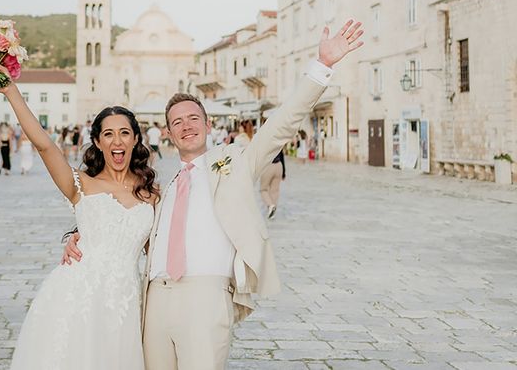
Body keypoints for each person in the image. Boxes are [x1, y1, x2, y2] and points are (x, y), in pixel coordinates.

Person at [63, 20, 363, 369]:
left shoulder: (236, 161)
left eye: (193, 118)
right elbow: (127, 224)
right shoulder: (162, 189)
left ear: (208, 126)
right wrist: (81, 236)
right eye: (177, 122)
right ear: (169, 135)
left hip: (206, 297)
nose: (186, 125)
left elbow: (282, 123)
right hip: (154, 300)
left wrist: (322, 66)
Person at [0, 76, 158, 370]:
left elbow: (160, 249)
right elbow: (44, 145)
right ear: (97, 141)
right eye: (108, 134)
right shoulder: (80, 184)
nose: (117, 141)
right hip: (78, 295)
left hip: (125, 301)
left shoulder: (151, 194)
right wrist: (11, 91)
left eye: (124, 133)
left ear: (136, 139)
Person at [260, 149, 286, 219]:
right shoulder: (278, 140)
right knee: (275, 191)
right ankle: (272, 211)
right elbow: (282, 155)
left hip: (268, 165)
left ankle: (270, 205)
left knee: (263, 189)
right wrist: (284, 172)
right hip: (279, 165)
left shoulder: (265, 141)